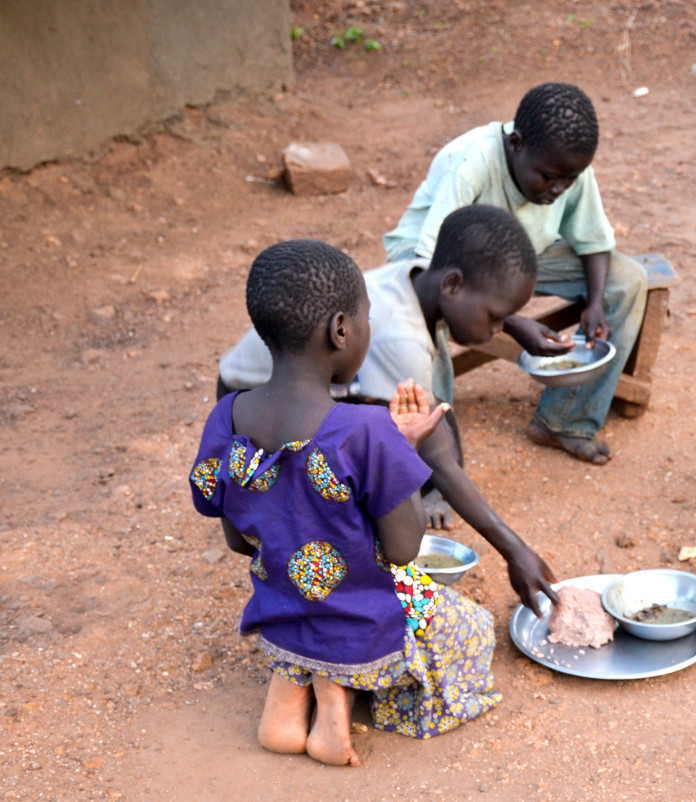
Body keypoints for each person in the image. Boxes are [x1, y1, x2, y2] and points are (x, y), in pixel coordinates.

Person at [189, 239, 504, 767]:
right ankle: (339, 692)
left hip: (280, 615)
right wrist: (404, 453)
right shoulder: (369, 432)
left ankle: (290, 703)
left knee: (309, 598)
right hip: (362, 628)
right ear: (340, 330)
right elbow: (404, 550)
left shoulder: (226, 418)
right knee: (468, 626)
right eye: (365, 319)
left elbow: (237, 540)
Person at [215, 206, 560, 614]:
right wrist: (514, 550)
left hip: (275, 379)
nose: (499, 328)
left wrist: (514, 323)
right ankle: (342, 592)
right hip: (263, 398)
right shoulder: (399, 340)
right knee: (369, 476)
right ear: (452, 285)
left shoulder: (418, 274)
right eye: (497, 317)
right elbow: (439, 461)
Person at [382, 81, 649, 466]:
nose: (559, 188)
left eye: (569, 179)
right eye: (549, 177)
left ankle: (564, 421)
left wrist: (594, 303)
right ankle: (434, 465)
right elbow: (436, 273)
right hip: (438, 263)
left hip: (519, 257)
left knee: (628, 280)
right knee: (430, 323)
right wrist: (509, 322)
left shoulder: (566, 165)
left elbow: (593, 239)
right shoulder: (471, 162)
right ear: (517, 143)